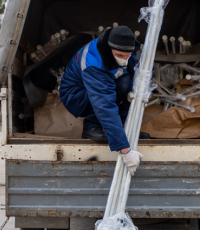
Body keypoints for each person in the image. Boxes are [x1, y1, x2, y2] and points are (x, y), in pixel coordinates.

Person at [59, 26, 147, 175]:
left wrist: (137, 93)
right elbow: (104, 105)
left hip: (100, 85)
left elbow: (132, 75)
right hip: (75, 95)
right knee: (112, 93)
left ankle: (125, 126)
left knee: (126, 82)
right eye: (119, 55)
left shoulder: (127, 49)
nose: (124, 59)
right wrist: (125, 150)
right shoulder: (94, 63)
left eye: (127, 55)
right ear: (110, 48)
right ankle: (91, 127)